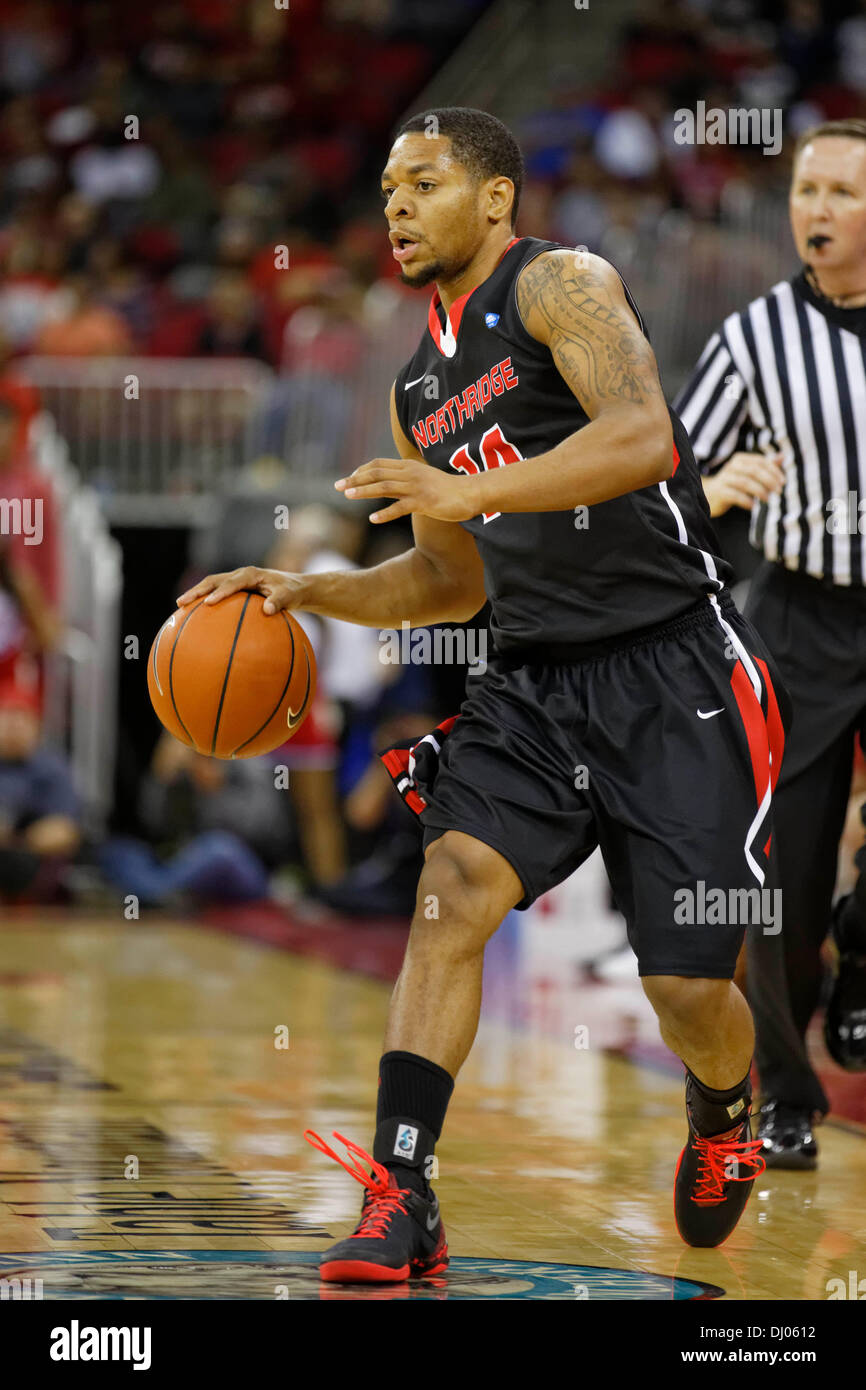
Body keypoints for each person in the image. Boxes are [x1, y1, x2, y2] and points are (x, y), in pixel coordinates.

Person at [178, 106, 789, 1281]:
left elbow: (641, 436)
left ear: (494, 197)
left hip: (671, 664)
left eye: (424, 183)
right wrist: (311, 591)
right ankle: (399, 1192)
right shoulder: (418, 385)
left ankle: (724, 1110)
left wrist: (477, 496)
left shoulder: (558, 284)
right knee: (448, 890)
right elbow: (447, 584)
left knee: (683, 982)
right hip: (529, 675)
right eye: (388, 188)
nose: (395, 206)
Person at [675, 118, 866, 1170]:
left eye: (840, 192)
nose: (816, 211)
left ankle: (863, 958)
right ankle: (784, 1093)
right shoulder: (752, 338)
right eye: (805, 191)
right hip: (795, 613)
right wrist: (712, 489)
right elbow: (667, 478)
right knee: (780, 874)